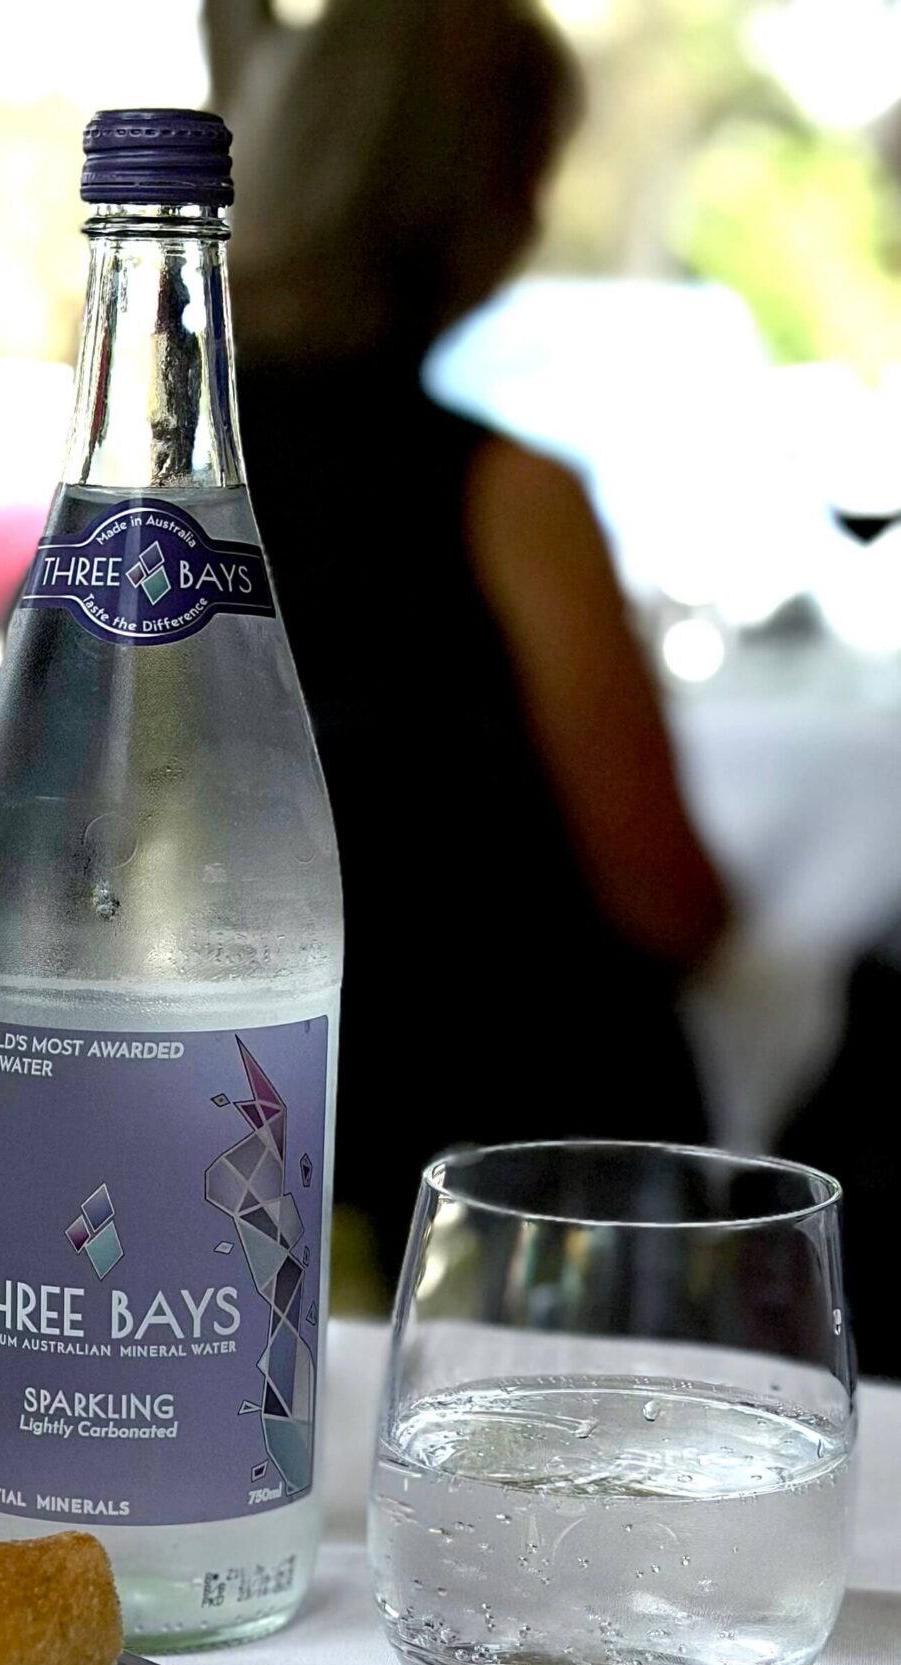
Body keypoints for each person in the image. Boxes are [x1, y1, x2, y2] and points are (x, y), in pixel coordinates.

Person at [208, 0, 730, 1278]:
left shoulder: (153, 490)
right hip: (513, 1206)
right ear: (483, 195)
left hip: (228, 1153)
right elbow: (667, 901)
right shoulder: (506, 495)